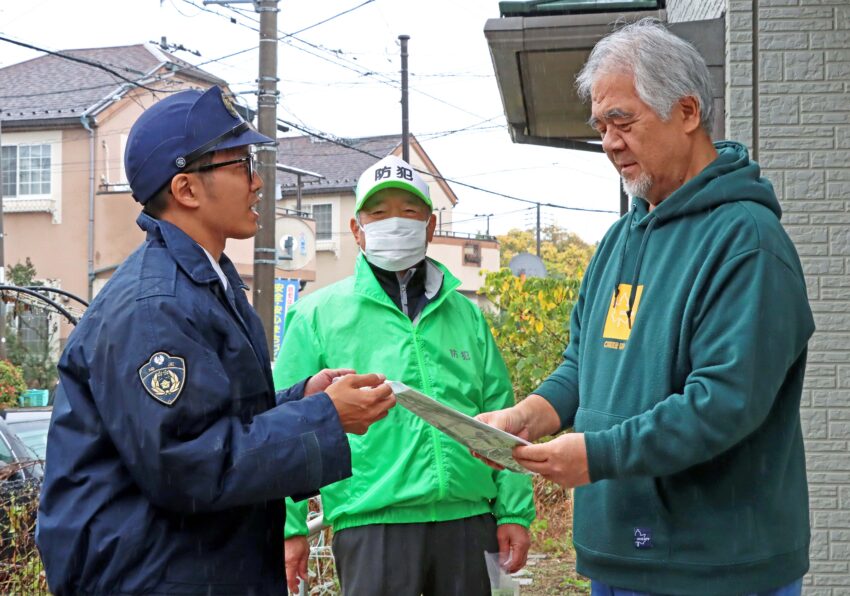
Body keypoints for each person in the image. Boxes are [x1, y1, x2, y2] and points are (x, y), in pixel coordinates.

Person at [478, 19, 815, 596]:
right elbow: (585, 366)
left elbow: (724, 403)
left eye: (622, 121)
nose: (609, 141)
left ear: (687, 113)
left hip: (715, 569)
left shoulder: (747, 241)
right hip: (619, 554)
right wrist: (526, 418)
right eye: (601, 125)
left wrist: (597, 454)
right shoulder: (620, 241)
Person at [36, 86, 395, 595]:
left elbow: (211, 420)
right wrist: (324, 417)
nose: (258, 181)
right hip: (156, 576)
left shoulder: (204, 282)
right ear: (185, 189)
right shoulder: (153, 307)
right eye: (242, 164)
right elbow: (187, 463)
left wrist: (302, 399)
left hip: (197, 566)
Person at [274, 155, 535, 596]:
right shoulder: (316, 315)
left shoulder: (466, 315)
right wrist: (288, 527)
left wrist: (512, 513)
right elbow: (285, 425)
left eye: (410, 211)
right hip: (370, 523)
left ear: (431, 227)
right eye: (378, 213)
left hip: (469, 520)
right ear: (357, 230)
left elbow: (504, 414)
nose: (394, 223)